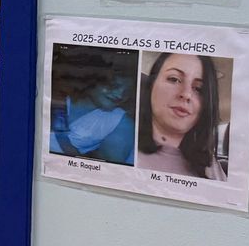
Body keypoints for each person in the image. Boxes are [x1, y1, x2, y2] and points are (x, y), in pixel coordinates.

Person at [136, 52, 226, 180]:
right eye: (174, 79)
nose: (186, 94)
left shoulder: (210, 166)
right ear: (151, 85)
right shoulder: (122, 144)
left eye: (199, 89)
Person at [49, 51, 136, 164]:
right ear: (93, 80)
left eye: (126, 92)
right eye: (114, 86)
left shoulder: (119, 120)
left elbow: (107, 166)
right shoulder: (59, 94)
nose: (119, 95)